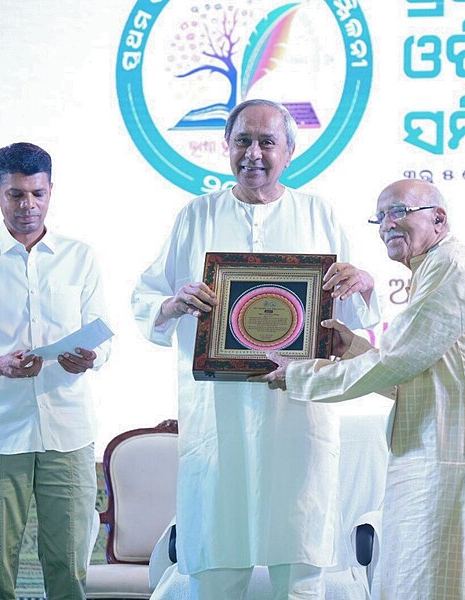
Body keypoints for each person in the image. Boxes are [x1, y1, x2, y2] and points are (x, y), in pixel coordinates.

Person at [131, 99, 380, 599]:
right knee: (218, 559)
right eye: (243, 140)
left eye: (267, 142)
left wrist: (365, 283)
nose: (254, 154)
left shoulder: (317, 213)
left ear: (290, 151)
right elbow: (145, 300)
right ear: (225, 146)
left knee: (299, 562)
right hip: (218, 415)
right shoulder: (196, 216)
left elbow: (347, 321)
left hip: (297, 413)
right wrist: (175, 302)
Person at [261, 179, 465, 600]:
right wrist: (350, 349)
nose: (387, 224)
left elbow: (395, 362)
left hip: (461, 463)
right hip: (442, 456)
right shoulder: (433, 271)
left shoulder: (453, 266)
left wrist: (300, 375)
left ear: (438, 218)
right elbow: (415, 376)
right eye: (380, 216)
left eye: (398, 211)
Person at [0, 142, 110, 600]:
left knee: (70, 567)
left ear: (51, 190)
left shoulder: (81, 258)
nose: (28, 205)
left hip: (68, 431)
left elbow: (103, 338)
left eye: (37, 193)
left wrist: (90, 358)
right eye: (16, 195)